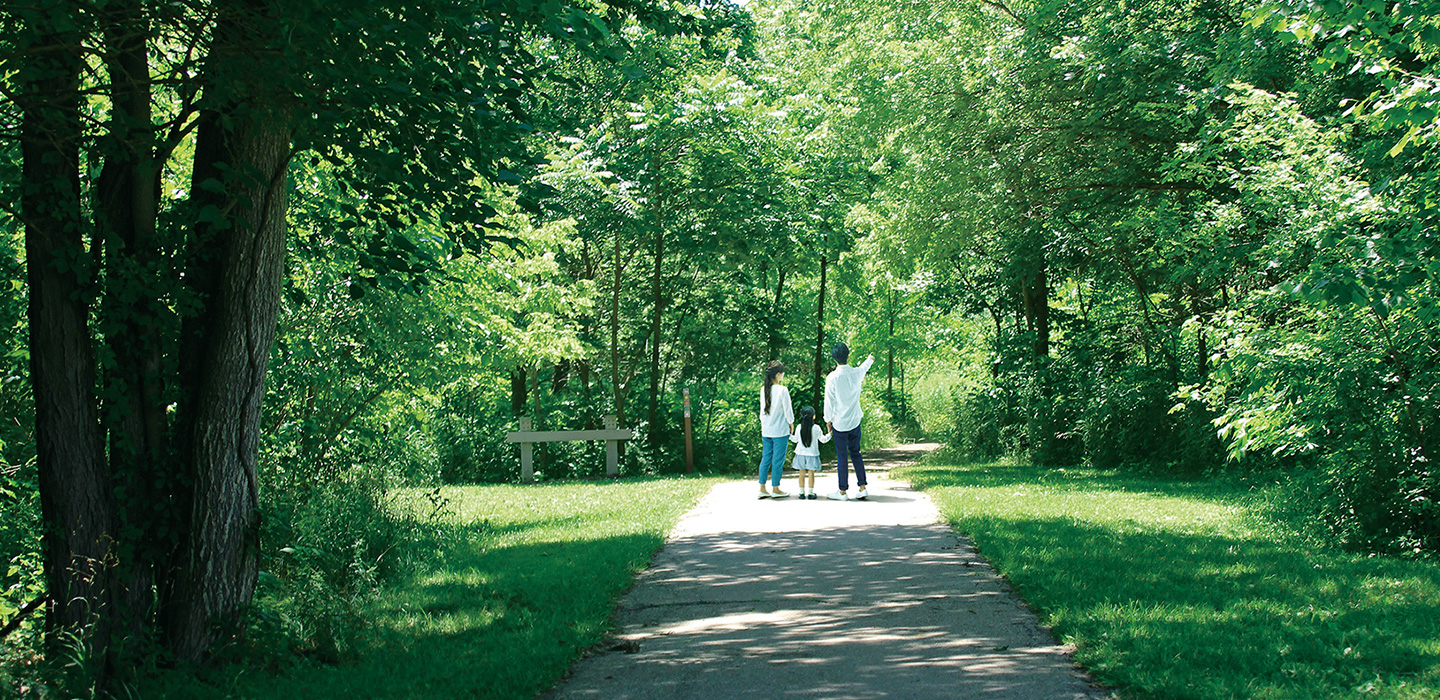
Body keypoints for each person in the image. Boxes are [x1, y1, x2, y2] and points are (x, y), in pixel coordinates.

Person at [823, 343, 874, 501]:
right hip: (855, 420)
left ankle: (843, 492)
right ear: (848, 355)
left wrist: (828, 420)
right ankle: (862, 487)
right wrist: (871, 358)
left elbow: (829, 402)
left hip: (840, 422)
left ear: (834, 358)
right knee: (856, 453)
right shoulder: (856, 373)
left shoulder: (832, 377)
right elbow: (865, 366)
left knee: (842, 456)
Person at [757, 361, 793, 499]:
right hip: (780, 431)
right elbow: (787, 410)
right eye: (782, 373)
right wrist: (791, 423)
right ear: (778, 374)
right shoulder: (782, 390)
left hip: (766, 430)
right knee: (778, 460)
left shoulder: (763, 389)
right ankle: (776, 488)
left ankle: (762, 488)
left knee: (766, 458)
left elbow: (762, 411)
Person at [789, 406, 830, 500]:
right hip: (812, 454)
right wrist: (830, 434)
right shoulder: (816, 428)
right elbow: (823, 440)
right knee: (811, 473)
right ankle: (811, 493)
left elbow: (795, 440)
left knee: (801, 473)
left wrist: (789, 434)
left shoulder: (799, 427)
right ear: (813, 417)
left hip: (800, 453)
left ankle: (801, 493)